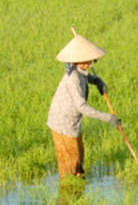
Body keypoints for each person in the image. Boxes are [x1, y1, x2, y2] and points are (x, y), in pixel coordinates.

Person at [47, 29, 121, 178]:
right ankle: (69, 191)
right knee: (70, 162)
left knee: (79, 155)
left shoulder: (78, 71)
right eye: (85, 60)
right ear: (75, 60)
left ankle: (78, 183)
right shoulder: (72, 79)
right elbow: (82, 107)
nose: (89, 63)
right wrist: (109, 118)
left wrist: (97, 81)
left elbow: (85, 77)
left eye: (90, 60)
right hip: (63, 123)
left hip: (73, 121)